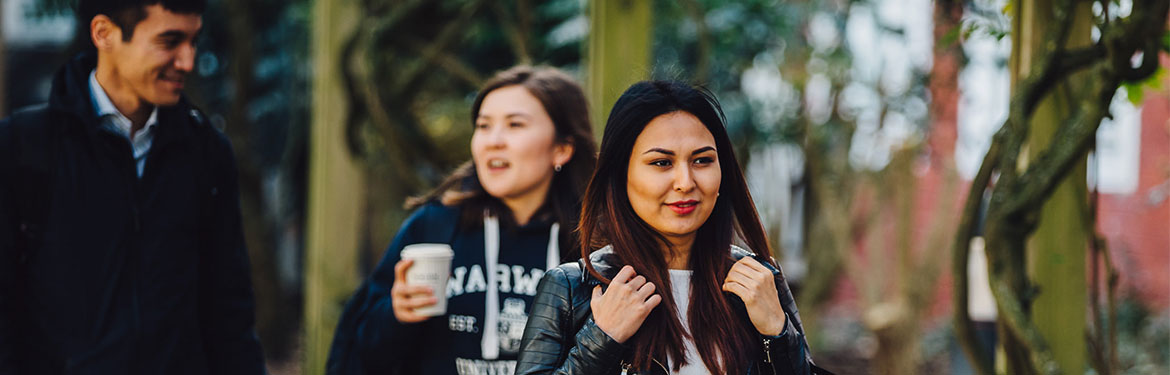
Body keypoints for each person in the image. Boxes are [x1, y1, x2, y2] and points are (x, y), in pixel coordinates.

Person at [0, 0, 265, 374]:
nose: (187, 61)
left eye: (193, 41)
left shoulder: (206, 154)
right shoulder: (21, 149)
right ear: (104, 34)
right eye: (169, 41)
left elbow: (230, 319)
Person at [515, 81, 819, 375]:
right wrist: (602, 338)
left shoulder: (759, 280)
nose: (686, 182)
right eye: (661, 163)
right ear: (620, 176)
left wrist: (777, 334)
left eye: (702, 160)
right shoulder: (572, 289)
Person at [326, 66, 598, 375]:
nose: (493, 140)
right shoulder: (434, 226)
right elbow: (363, 352)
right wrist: (396, 314)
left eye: (515, 124)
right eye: (483, 126)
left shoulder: (593, 242)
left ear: (562, 149)